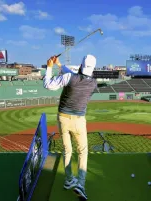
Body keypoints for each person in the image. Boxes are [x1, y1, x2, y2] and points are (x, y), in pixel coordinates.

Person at [43, 54, 97, 200]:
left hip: (63, 119)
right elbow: (73, 75)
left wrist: (49, 67)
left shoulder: (70, 78)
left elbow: (48, 84)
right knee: (82, 152)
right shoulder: (93, 83)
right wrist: (59, 65)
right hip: (79, 121)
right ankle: (80, 183)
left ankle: (68, 180)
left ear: (81, 65)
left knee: (67, 150)